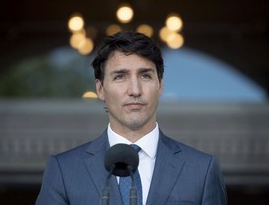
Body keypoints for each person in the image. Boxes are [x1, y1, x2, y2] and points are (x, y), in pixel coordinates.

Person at [36, 31, 227, 205]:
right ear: (100, 89)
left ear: (160, 85)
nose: (135, 90)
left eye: (145, 76)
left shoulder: (202, 170)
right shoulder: (64, 170)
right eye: (120, 77)